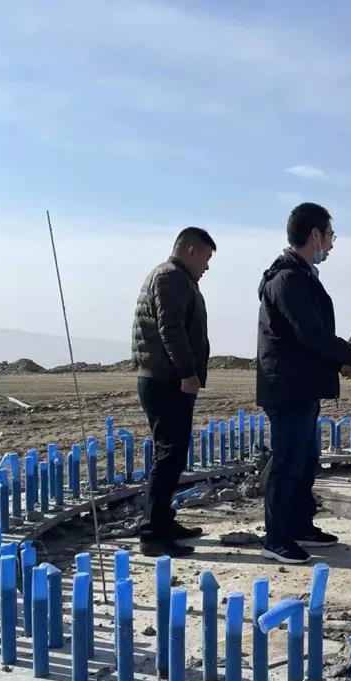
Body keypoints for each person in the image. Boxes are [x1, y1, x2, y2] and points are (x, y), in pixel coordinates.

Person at [256, 202, 351, 564]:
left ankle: (299, 526)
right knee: (288, 463)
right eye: (330, 236)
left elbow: (310, 340)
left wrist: (341, 362)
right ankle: (277, 538)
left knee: (305, 460)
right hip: (288, 388)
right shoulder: (287, 278)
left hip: (302, 385)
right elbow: (311, 334)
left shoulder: (301, 276)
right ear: (315, 235)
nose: (332, 244)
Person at [132, 227, 215, 557]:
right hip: (167, 381)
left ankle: (163, 521)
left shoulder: (176, 278)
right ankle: (152, 533)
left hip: (166, 379)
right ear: (191, 250)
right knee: (168, 456)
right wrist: (187, 373)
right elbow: (171, 329)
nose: (207, 266)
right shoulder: (171, 277)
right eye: (206, 258)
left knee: (172, 454)